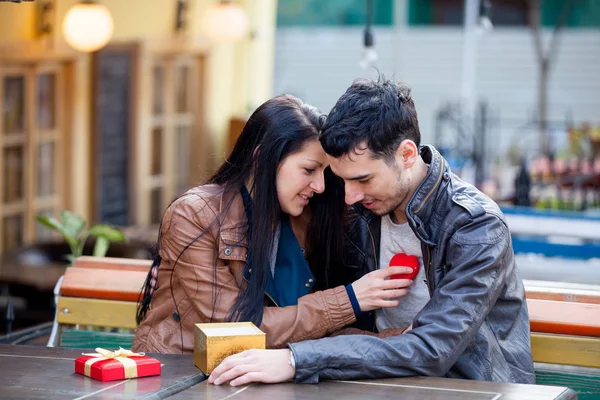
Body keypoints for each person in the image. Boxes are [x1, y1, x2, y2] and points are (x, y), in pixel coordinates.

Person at [208, 78, 535, 386]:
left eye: (363, 180)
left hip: (466, 388)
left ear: (406, 155)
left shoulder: (475, 226)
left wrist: (296, 361)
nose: (348, 196)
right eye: (343, 180)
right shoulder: (360, 212)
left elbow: (432, 350)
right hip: (375, 383)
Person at [132, 94, 414, 354]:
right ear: (261, 159)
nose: (319, 185)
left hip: (263, 373)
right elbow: (233, 327)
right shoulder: (193, 215)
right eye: (308, 170)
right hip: (180, 370)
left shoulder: (305, 218)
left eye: (324, 172)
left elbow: (307, 330)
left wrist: (398, 339)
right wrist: (348, 301)